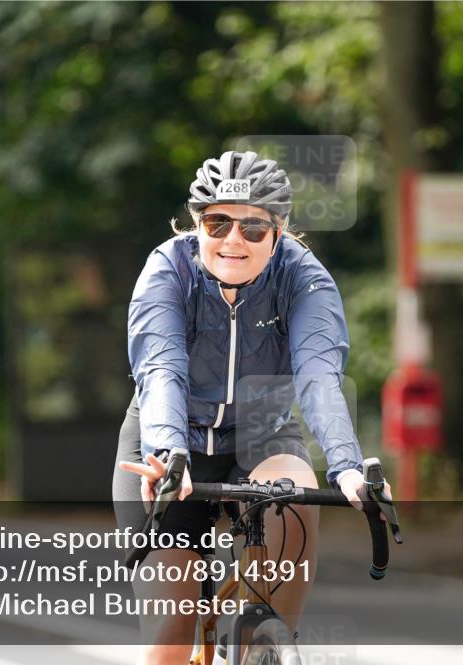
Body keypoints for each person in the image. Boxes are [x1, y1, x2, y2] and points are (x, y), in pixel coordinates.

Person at [113, 150, 391, 665]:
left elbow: (319, 377)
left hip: (263, 435)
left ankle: (266, 642)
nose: (233, 241)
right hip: (170, 445)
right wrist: (170, 454)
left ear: (279, 232)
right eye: (216, 223)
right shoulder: (168, 272)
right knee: (171, 631)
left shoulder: (303, 279)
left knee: (297, 499)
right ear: (196, 225)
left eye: (253, 228)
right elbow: (161, 372)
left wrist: (349, 469)